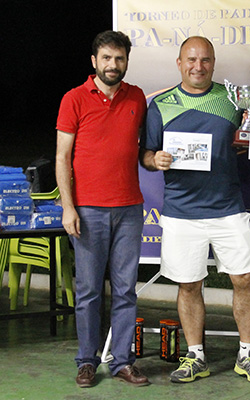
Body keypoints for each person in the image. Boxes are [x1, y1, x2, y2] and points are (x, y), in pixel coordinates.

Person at [140, 36, 250, 385]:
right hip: (181, 211)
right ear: (179, 63)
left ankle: (247, 354)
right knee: (189, 285)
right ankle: (195, 356)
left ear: (214, 63)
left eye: (205, 60)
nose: (198, 66)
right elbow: (146, 154)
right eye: (191, 59)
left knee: (245, 279)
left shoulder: (233, 100)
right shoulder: (160, 104)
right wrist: (155, 159)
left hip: (228, 207)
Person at [56, 31, 149, 387]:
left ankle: (122, 361)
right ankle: (86, 360)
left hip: (129, 208)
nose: (113, 65)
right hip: (88, 210)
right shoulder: (74, 99)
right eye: (107, 58)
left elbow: (143, 148)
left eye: (119, 58)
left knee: (125, 290)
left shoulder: (136, 97)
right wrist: (68, 207)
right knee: (89, 291)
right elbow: (62, 158)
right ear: (94, 61)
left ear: (127, 61)